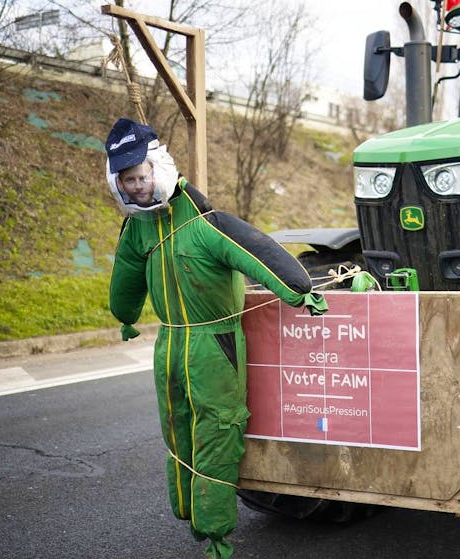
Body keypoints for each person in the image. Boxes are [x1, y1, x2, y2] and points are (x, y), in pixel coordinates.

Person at [104, 117, 326, 559]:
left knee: (218, 433)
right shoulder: (137, 230)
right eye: (128, 180)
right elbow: (126, 282)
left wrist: (300, 291)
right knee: (176, 429)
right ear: (118, 184)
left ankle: (216, 531)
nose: (137, 187)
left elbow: (257, 251)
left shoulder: (207, 223)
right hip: (170, 346)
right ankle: (187, 509)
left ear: (159, 170)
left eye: (142, 176)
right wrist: (126, 315)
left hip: (214, 346)